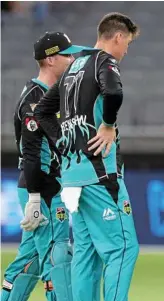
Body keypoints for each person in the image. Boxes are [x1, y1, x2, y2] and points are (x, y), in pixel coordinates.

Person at [34, 13, 140, 301]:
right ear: (117, 37)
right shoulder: (103, 61)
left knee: (86, 252)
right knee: (123, 248)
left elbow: (42, 111)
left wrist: (64, 143)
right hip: (99, 175)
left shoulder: (71, 68)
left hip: (71, 177)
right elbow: (114, 92)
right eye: (127, 43)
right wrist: (107, 125)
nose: (126, 50)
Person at [2, 31, 84, 301]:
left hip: (43, 186)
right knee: (57, 255)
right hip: (43, 188)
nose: (72, 59)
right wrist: (36, 198)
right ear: (50, 60)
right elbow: (32, 153)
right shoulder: (34, 99)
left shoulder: (50, 95)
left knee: (32, 258)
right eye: (67, 54)